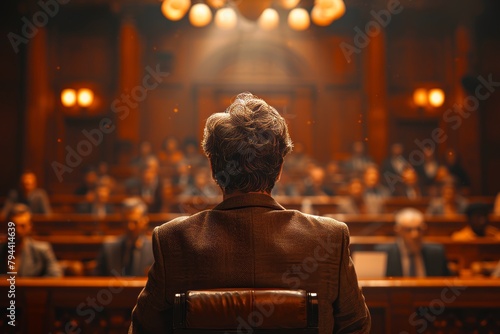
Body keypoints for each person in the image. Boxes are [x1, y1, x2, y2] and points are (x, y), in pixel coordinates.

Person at [129, 92, 371, 333]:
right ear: (279, 170)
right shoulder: (329, 238)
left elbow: (142, 330)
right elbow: (356, 327)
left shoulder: (173, 240)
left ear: (214, 169)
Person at [376, 208, 450, 277]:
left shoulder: (436, 253)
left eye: (419, 229)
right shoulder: (384, 253)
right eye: (408, 230)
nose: (415, 235)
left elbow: (447, 282)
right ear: (398, 231)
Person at [94, 197, 153, 276]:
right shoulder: (108, 249)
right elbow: (97, 281)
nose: (130, 227)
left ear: (145, 221)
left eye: (135, 222)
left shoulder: (154, 250)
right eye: (126, 221)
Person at [0, 204, 62, 277]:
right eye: (13, 226)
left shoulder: (42, 250)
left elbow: (55, 275)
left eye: (22, 226)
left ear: (30, 227)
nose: (17, 230)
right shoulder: (1, 250)